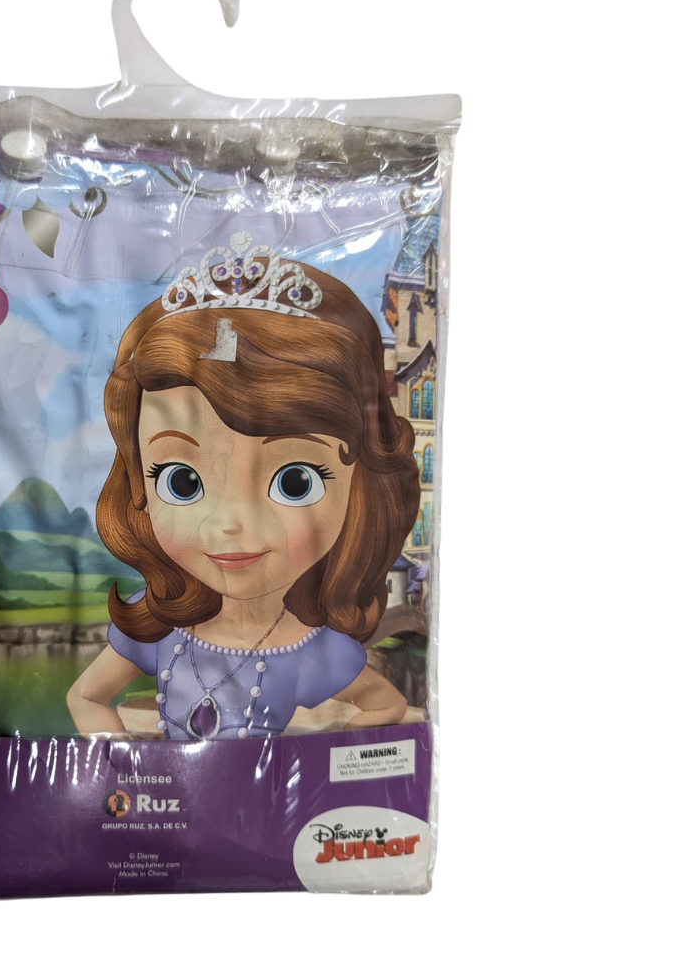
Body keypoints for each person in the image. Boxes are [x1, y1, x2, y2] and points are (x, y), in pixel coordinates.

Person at [67, 234, 419, 739]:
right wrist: (123, 764)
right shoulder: (161, 633)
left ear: (358, 488)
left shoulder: (313, 649)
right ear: (138, 483)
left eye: (295, 481)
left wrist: (318, 762)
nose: (230, 522)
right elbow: (84, 697)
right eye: (181, 481)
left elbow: (384, 705)